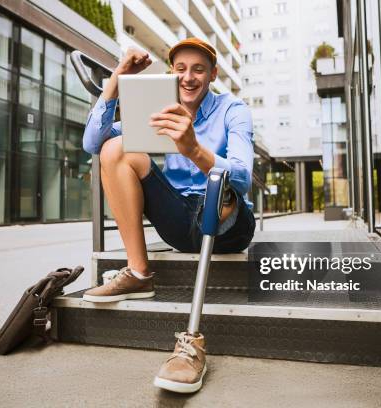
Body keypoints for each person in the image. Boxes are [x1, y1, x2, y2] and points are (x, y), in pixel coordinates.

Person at [81, 38, 255, 393]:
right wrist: (117, 78)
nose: (189, 78)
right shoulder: (158, 108)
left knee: (219, 185)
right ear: (171, 73)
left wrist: (194, 149)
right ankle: (139, 272)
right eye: (181, 69)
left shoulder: (232, 109)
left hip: (228, 217)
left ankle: (191, 342)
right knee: (115, 148)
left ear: (212, 75)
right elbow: (92, 143)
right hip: (179, 217)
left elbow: (242, 177)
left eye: (198, 69)